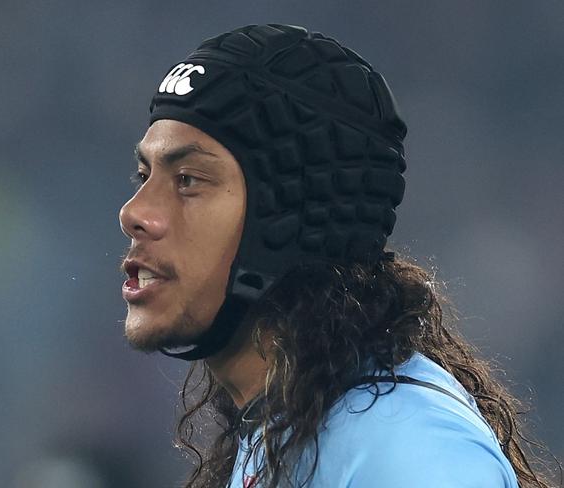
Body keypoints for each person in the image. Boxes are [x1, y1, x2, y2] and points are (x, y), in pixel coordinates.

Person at [118, 24, 558, 487]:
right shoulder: (281, 427)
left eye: (188, 179)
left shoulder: (401, 439)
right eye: (143, 175)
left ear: (289, 217)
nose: (135, 213)